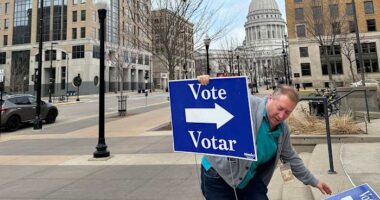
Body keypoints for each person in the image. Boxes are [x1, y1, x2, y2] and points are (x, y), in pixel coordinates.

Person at [198, 75, 332, 200]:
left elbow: (290, 157)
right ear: (270, 98)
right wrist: (207, 83)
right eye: (280, 108)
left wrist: (314, 181)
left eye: (287, 112)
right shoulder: (248, 104)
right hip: (219, 172)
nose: (281, 116)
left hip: (248, 177)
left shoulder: (282, 129)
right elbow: (217, 99)